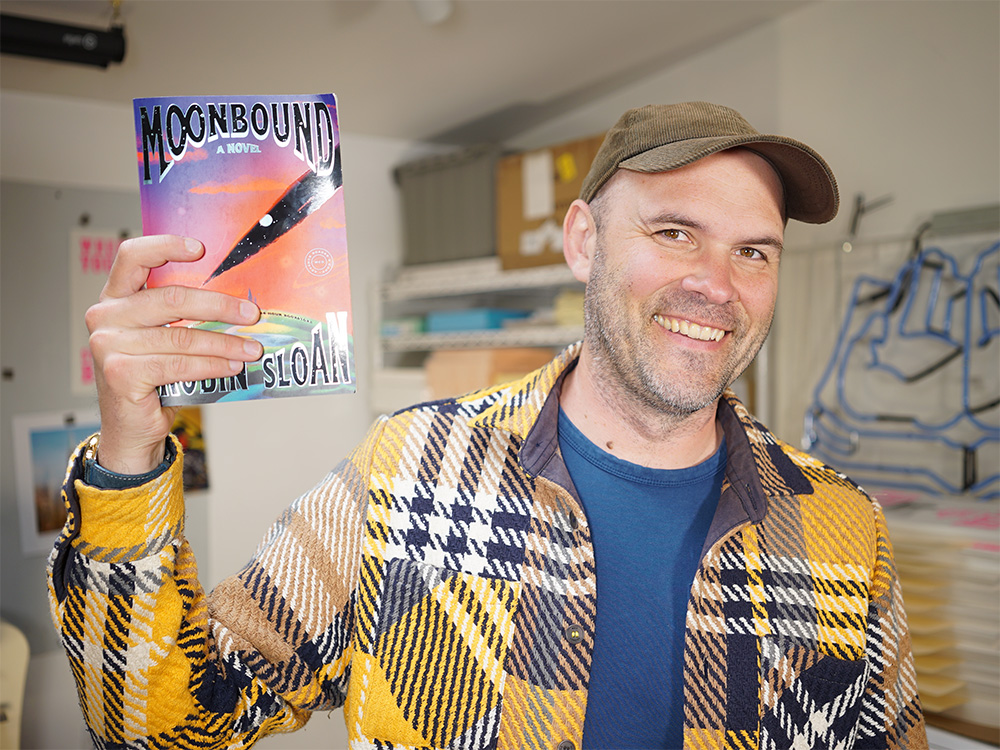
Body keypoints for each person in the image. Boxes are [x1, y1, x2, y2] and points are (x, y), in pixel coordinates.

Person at [48, 102, 928, 750]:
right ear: (583, 240)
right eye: (674, 231)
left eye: (754, 251)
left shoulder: (845, 532)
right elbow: (162, 725)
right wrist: (130, 452)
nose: (718, 284)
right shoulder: (405, 471)